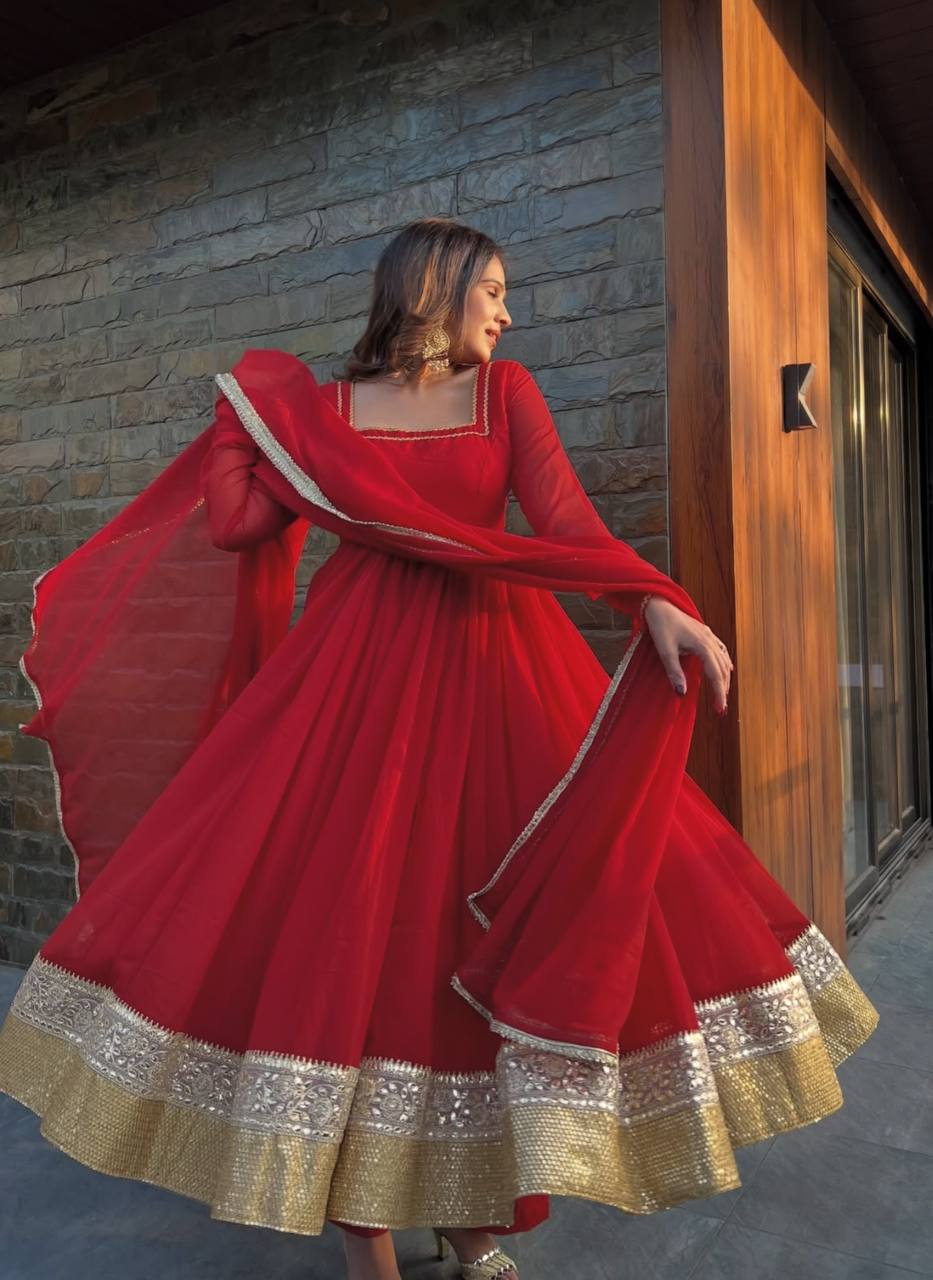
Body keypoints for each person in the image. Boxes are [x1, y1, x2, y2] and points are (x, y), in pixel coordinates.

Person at [0, 218, 878, 1280]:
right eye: (493, 290)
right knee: (347, 933)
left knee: (467, 928)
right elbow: (235, 525)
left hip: (495, 674)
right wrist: (244, 414)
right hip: (346, 690)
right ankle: (364, 1236)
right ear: (432, 285)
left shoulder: (504, 395)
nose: (507, 313)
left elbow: (563, 519)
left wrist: (653, 600)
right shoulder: (319, 414)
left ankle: (472, 1227)